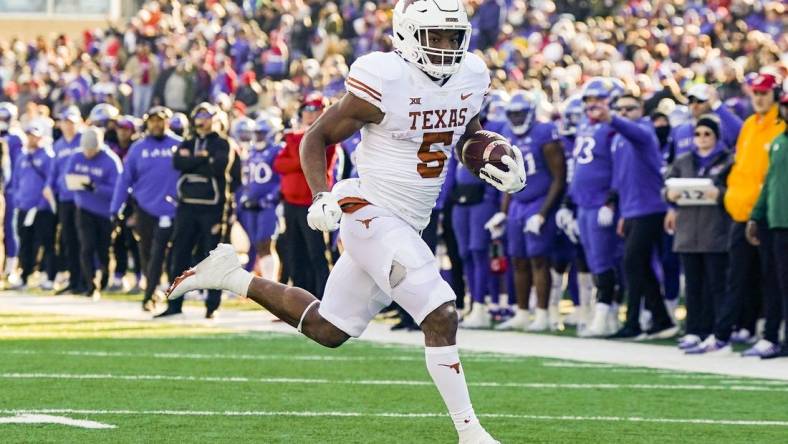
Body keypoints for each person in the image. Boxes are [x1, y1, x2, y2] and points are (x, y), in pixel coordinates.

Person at [165, 1, 525, 442]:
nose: (447, 47)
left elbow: (464, 132)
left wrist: (490, 156)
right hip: (370, 210)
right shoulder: (385, 79)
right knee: (441, 312)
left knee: (328, 328)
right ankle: (471, 432)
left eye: (453, 37)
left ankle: (229, 277)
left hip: (408, 219)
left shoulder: (470, 76)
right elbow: (315, 136)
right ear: (409, 36)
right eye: (436, 36)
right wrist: (321, 196)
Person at [720, 73, 785, 355]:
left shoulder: (779, 130)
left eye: (764, 93)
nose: (758, 98)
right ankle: (725, 333)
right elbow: (743, 169)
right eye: (755, 92)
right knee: (737, 276)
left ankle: (769, 333)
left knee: (772, 278)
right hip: (745, 212)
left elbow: (769, 178)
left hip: (774, 215)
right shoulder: (748, 125)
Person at [493, 90, 565, 332]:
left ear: (531, 113)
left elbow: (559, 178)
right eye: (511, 114)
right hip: (517, 203)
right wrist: (503, 212)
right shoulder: (506, 134)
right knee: (518, 260)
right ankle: (522, 312)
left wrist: (543, 213)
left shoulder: (544, 133)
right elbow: (509, 178)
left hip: (538, 200)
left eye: (519, 113)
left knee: (539, 260)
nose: (515, 118)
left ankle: (543, 314)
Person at [606, 92, 675, 339]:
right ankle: (661, 320)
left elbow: (633, 132)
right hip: (632, 209)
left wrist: (611, 118)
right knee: (640, 265)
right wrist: (622, 211)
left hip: (651, 207)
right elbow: (622, 178)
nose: (624, 112)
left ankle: (633, 322)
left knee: (633, 263)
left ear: (642, 109)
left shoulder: (644, 132)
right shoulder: (618, 140)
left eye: (630, 108)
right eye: (620, 109)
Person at [663, 116, 733, 353]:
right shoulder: (684, 160)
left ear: (716, 136)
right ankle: (693, 330)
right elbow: (666, 185)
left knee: (715, 285)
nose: (702, 139)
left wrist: (719, 193)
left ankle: (716, 330)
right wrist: (669, 197)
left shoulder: (726, 161)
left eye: (707, 134)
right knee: (692, 285)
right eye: (698, 134)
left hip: (714, 231)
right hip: (687, 231)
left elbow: (732, 191)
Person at [156, 102, 233, 319]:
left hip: (212, 209)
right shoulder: (188, 142)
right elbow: (179, 162)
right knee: (179, 255)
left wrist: (195, 160)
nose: (202, 120)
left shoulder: (222, 143)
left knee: (212, 259)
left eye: (207, 116)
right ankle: (174, 304)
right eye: (199, 115)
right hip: (187, 207)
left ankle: (211, 306)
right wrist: (201, 158)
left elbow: (219, 167)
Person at [111, 106, 181, 311]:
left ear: (167, 121)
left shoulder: (179, 145)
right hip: (146, 208)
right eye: (152, 121)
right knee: (148, 253)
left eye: (160, 120)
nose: (156, 124)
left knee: (172, 255)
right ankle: (152, 292)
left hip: (174, 208)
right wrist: (116, 207)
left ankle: (170, 293)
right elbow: (125, 179)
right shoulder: (138, 148)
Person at [569, 78, 623, 338]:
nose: (592, 105)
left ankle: (605, 313)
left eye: (598, 100)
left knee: (604, 260)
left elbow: (619, 167)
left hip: (601, 201)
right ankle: (605, 313)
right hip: (583, 201)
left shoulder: (613, 129)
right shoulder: (584, 125)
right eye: (589, 100)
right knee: (591, 259)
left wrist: (611, 200)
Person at [272, 92, 336, 298]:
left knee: (316, 253)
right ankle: (300, 302)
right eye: (307, 109)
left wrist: (295, 148)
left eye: (315, 109)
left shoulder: (329, 135)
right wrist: (296, 154)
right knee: (294, 253)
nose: (310, 113)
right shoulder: (294, 136)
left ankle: (325, 299)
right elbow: (279, 164)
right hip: (291, 202)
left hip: (313, 202)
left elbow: (306, 160)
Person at [744, 92, 788, 359]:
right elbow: (769, 182)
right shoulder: (778, 142)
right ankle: (774, 336)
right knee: (775, 282)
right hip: (777, 223)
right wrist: (756, 215)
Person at [65, 127, 122, 299]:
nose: (88, 153)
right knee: (87, 247)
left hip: (105, 212)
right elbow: (68, 178)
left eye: (92, 150)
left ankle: (105, 277)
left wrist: (95, 187)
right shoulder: (76, 156)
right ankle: (90, 283)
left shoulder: (110, 160)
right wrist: (78, 183)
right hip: (84, 209)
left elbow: (116, 189)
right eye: (86, 149)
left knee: (103, 249)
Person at [235, 115, 281, 278]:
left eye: (262, 133)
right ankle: (268, 282)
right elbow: (248, 179)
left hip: (269, 205)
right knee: (257, 244)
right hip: (252, 204)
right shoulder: (251, 152)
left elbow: (281, 179)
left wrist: (268, 198)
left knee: (265, 242)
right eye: (257, 133)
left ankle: (272, 282)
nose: (258, 136)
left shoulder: (277, 150)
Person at [11, 122, 55, 289]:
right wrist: (18, 200)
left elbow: (50, 181)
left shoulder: (47, 156)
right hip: (25, 206)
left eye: (34, 136)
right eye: (28, 135)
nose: (31, 139)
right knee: (25, 242)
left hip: (41, 208)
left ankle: (49, 276)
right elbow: (16, 181)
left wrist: (43, 203)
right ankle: (24, 275)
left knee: (46, 242)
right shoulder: (22, 156)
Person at [45, 106, 83, 294]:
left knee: (83, 239)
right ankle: (74, 278)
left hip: (82, 197)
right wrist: (48, 186)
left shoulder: (84, 140)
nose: (68, 126)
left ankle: (86, 279)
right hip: (64, 198)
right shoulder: (58, 145)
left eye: (71, 123)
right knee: (68, 239)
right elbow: (53, 171)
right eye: (65, 122)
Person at [109, 115, 142, 291]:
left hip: (134, 200)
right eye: (120, 129)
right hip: (116, 197)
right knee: (118, 240)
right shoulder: (112, 148)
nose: (122, 132)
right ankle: (119, 275)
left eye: (126, 129)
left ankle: (139, 275)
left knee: (135, 240)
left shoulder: (137, 149)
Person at [668, 84, 742, 157]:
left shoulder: (722, 125)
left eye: (700, 101)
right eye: (691, 101)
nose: (695, 105)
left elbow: (741, 131)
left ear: (710, 101)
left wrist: (717, 105)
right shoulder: (681, 130)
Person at [0, 102, 25, 284]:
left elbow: (17, 167)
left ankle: (11, 266)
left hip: (10, 189)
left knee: (10, 226)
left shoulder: (16, 138)